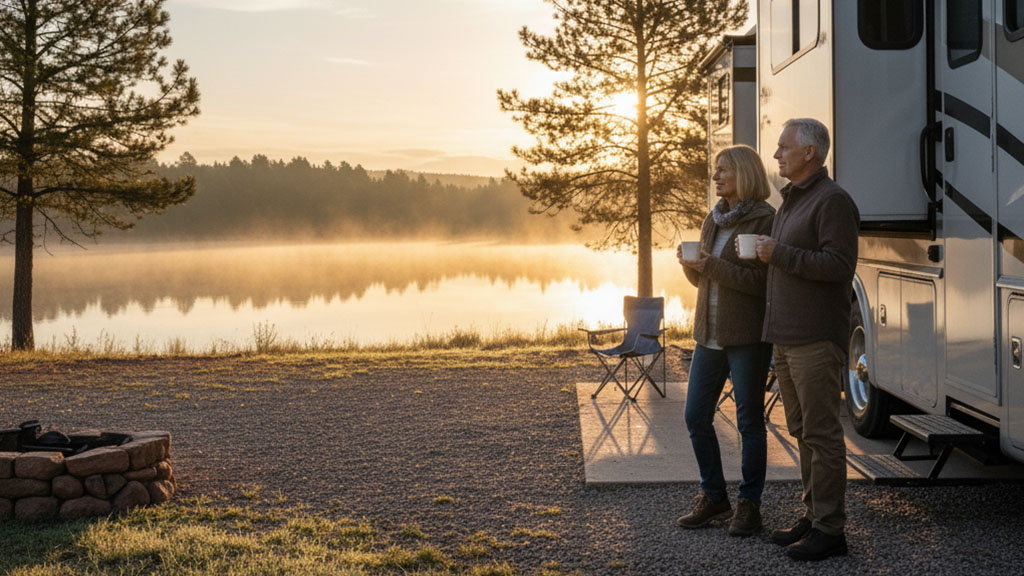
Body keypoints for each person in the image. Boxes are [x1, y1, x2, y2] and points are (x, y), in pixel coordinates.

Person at [754, 118, 859, 561]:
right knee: (801, 431)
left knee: (822, 433)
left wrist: (778, 253)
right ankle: (814, 515)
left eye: (783, 147)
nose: (776, 154)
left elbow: (838, 266)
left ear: (809, 153)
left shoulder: (833, 201)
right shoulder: (791, 202)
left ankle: (831, 531)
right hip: (785, 337)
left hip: (815, 338)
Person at [676, 144, 775, 537]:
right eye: (715, 171)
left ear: (745, 174)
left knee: (749, 421)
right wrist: (691, 268)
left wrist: (710, 265)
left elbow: (763, 284)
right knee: (695, 416)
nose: (715, 177)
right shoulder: (713, 218)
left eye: (722, 171)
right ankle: (714, 496)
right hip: (709, 335)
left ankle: (750, 506)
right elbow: (704, 281)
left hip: (747, 337)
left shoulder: (765, 220)